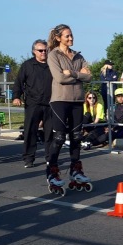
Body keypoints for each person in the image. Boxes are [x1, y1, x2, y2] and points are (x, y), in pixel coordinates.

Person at [45, 24, 93, 190]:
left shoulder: (78, 56)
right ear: (58, 38)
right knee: (59, 137)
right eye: (67, 36)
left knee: (77, 136)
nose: (71, 38)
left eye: (71, 35)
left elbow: (89, 76)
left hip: (77, 100)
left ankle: (76, 169)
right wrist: (80, 76)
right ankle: (51, 170)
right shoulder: (53, 55)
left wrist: (72, 73)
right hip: (60, 99)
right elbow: (59, 78)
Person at [12, 39, 53, 168]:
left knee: (50, 132)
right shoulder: (27, 65)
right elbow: (19, 82)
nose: (43, 53)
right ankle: (29, 158)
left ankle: (50, 157)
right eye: (40, 50)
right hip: (33, 103)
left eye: (45, 50)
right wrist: (16, 96)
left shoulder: (52, 64)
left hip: (50, 104)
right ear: (34, 51)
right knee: (30, 131)